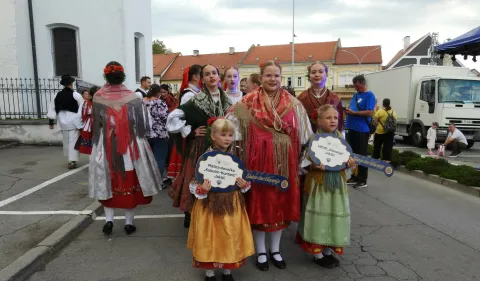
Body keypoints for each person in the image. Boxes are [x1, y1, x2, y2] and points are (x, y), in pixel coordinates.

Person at [227, 60, 312, 271]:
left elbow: (305, 134)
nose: (272, 79)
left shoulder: (294, 104)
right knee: (259, 206)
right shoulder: (246, 103)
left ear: (281, 78)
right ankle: (261, 251)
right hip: (257, 165)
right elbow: (231, 129)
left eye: (276, 76)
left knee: (280, 206)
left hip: (285, 165)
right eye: (268, 76)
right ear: (261, 77)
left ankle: (275, 250)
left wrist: (303, 159)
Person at [89, 61, 162, 235]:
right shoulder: (133, 97)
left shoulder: (98, 96)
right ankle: (129, 223)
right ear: (123, 76)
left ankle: (109, 221)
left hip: (106, 144)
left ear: (106, 76)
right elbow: (145, 123)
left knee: (108, 180)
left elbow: (95, 124)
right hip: (130, 144)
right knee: (130, 179)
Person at [187, 118, 254, 281]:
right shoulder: (205, 158)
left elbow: (242, 180)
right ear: (213, 136)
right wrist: (201, 189)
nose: (227, 138)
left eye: (230, 135)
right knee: (210, 236)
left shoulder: (235, 158)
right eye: (223, 134)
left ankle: (227, 271)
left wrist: (244, 184)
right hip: (209, 204)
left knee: (229, 234)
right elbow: (194, 182)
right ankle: (210, 273)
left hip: (231, 202)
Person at [167, 64, 232, 229]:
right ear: (201, 79)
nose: (211, 76)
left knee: (219, 179)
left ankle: (214, 214)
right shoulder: (195, 99)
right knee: (198, 178)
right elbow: (173, 117)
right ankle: (193, 214)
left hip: (223, 147)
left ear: (219, 77)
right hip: (201, 146)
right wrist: (190, 130)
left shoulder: (227, 100)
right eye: (207, 74)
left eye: (214, 73)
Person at [296, 104, 354, 269]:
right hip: (319, 184)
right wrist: (313, 166)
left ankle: (329, 250)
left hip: (337, 186)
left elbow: (347, 164)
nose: (333, 120)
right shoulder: (314, 141)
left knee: (334, 215)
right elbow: (302, 164)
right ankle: (317, 253)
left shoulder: (341, 140)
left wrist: (350, 164)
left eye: (335, 117)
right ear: (319, 121)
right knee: (319, 216)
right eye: (328, 117)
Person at [167, 65, 203, 180]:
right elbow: (182, 117)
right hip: (190, 137)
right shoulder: (189, 95)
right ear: (196, 77)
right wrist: (190, 131)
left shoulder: (196, 92)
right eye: (204, 74)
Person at [344, 75, 375, 188]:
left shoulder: (369, 95)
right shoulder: (356, 95)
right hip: (351, 128)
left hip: (362, 129)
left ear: (363, 83)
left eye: (357, 86)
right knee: (353, 154)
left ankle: (363, 179)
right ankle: (355, 176)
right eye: (354, 86)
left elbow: (370, 112)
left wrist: (354, 113)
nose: (355, 88)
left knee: (362, 154)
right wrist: (348, 111)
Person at [47, 74, 83, 169]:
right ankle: (72, 161)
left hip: (62, 122)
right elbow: (82, 108)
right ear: (71, 83)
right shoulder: (76, 95)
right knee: (73, 142)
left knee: (66, 141)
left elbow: (52, 109)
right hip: (74, 121)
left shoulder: (56, 95)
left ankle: (69, 160)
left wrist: (51, 121)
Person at [297, 62, 344, 133]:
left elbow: (340, 124)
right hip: (308, 139)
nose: (317, 75)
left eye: (321, 72)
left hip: (331, 139)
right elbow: (298, 123)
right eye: (313, 72)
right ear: (309, 75)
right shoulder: (301, 99)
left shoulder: (335, 99)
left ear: (326, 74)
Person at [144, 84, 170, 177]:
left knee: (147, 159)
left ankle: (148, 180)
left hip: (145, 134)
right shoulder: (160, 103)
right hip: (160, 134)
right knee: (159, 159)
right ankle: (158, 181)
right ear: (158, 93)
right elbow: (165, 118)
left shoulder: (142, 102)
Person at [75, 86, 99, 155]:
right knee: (97, 143)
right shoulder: (99, 103)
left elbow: (79, 115)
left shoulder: (84, 103)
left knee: (91, 145)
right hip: (97, 123)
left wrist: (79, 126)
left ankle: (92, 158)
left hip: (88, 124)